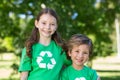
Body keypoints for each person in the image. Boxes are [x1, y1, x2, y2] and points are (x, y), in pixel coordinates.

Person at [18, 8, 70, 80]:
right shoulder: (29, 49)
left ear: (56, 26)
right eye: (44, 23)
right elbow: (24, 77)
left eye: (52, 24)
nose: (47, 27)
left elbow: (75, 66)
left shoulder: (61, 49)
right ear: (37, 23)